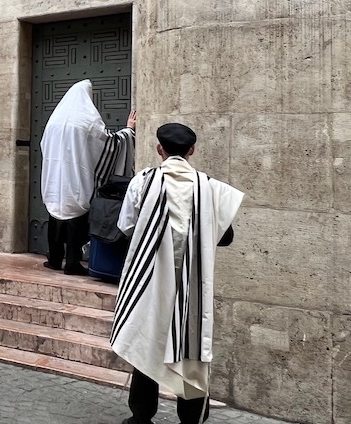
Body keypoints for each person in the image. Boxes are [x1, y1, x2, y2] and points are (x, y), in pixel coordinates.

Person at [111, 123, 243, 424]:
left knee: (148, 341)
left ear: (160, 149)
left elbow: (126, 227)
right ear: (192, 151)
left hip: (152, 281)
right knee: (192, 350)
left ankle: (141, 417)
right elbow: (226, 236)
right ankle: (191, 419)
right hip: (193, 284)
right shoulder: (208, 187)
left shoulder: (143, 181)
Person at [40, 79, 135, 275]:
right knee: (75, 216)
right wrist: (128, 131)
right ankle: (73, 263)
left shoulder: (54, 121)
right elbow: (109, 144)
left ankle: (55, 258)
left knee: (56, 212)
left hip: (55, 180)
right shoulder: (87, 122)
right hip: (75, 180)